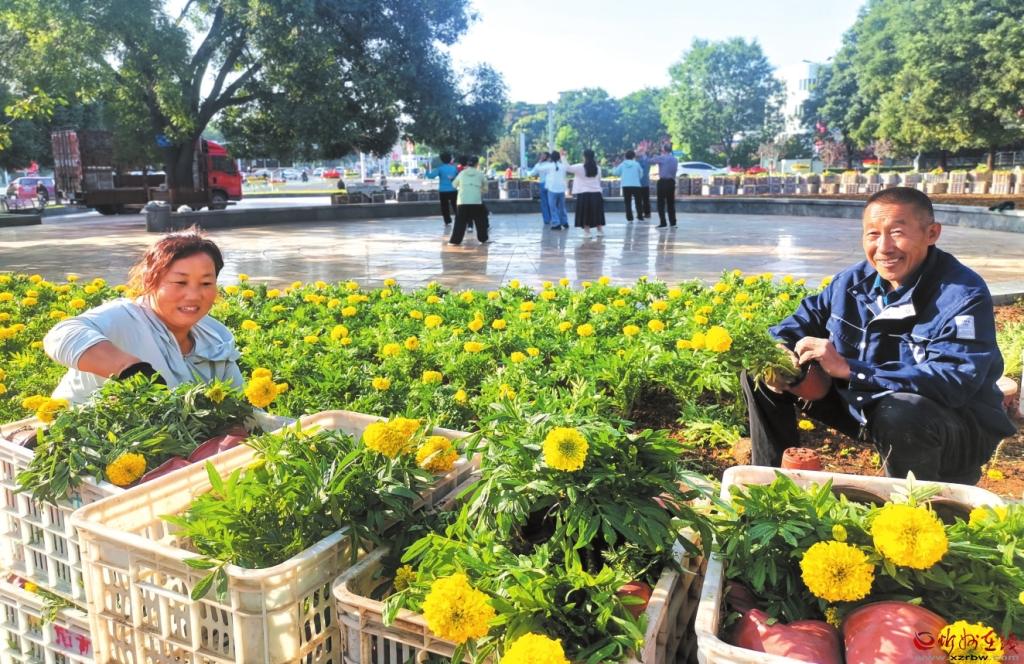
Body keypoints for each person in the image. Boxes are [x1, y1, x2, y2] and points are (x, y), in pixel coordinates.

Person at [742, 187, 1015, 484]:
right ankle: (772, 485)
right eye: (873, 234)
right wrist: (781, 348)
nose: (884, 247)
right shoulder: (852, 282)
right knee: (763, 369)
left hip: (952, 424)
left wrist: (851, 370)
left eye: (897, 232)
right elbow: (796, 323)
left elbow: (954, 381)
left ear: (932, 233)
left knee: (900, 413)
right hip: (866, 406)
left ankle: (911, 505)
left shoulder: (962, 295)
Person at [43, 229, 244, 404]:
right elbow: (61, 335)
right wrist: (129, 369)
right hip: (77, 432)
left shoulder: (216, 340)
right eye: (180, 282)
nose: (193, 295)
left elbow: (241, 407)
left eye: (206, 283)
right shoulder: (124, 318)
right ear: (151, 281)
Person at [449, 155, 490, 245]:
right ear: (477, 164)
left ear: (468, 164)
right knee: (480, 221)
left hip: (462, 201)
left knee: (460, 222)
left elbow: (454, 185)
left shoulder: (462, 173)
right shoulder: (480, 174)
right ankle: (483, 239)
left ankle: (455, 241)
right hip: (476, 201)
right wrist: (478, 189)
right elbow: (485, 189)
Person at [566, 149, 605, 236]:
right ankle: (600, 230)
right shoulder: (598, 168)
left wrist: (562, 157)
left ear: (584, 156)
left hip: (584, 194)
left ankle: (587, 232)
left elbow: (568, 168)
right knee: (597, 212)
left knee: (585, 213)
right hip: (596, 193)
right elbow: (599, 180)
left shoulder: (579, 167)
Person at [648, 143, 678, 227]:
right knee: (671, 203)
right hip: (671, 182)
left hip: (663, 182)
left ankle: (663, 222)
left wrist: (652, 154)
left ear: (664, 150)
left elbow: (649, 161)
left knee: (661, 203)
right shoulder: (675, 159)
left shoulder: (661, 158)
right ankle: (673, 222)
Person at [425, 152, 459, 228]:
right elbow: (458, 177)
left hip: (443, 191)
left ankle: (447, 221)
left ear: (442, 160)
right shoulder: (454, 168)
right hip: (453, 190)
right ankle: (459, 219)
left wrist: (427, 169)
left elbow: (430, 176)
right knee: (455, 206)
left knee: (444, 207)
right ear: (450, 159)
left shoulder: (440, 168)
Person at [613, 150, 644, 222]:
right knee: (638, 201)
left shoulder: (622, 164)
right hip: (636, 185)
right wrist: (637, 179)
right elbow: (641, 173)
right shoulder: (636, 164)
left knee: (627, 202)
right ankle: (640, 216)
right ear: (633, 156)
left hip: (626, 185)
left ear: (625, 156)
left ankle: (629, 218)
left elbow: (616, 173)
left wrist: (614, 166)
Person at [545, 151, 569, 230]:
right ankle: (564, 222)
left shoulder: (548, 166)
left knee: (553, 207)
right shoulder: (563, 166)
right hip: (561, 189)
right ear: (559, 158)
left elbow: (538, 169)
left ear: (551, 158)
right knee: (562, 207)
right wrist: (563, 157)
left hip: (552, 189)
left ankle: (556, 223)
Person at [528, 152, 554, 226]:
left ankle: (546, 220)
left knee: (544, 203)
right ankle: (553, 218)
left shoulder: (539, 165)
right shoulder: (552, 165)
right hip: (551, 185)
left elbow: (531, 174)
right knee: (551, 202)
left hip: (542, 184)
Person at [636, 145, 652, 220]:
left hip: (643, 182)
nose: (637, 152)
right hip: (639, 183)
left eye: (639, 151)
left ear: (642, 152)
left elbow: (645, 171)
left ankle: (646, 213)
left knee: (645, 199)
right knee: (640, 199)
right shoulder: (637, 160)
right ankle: (641, 213)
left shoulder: (646, 160)